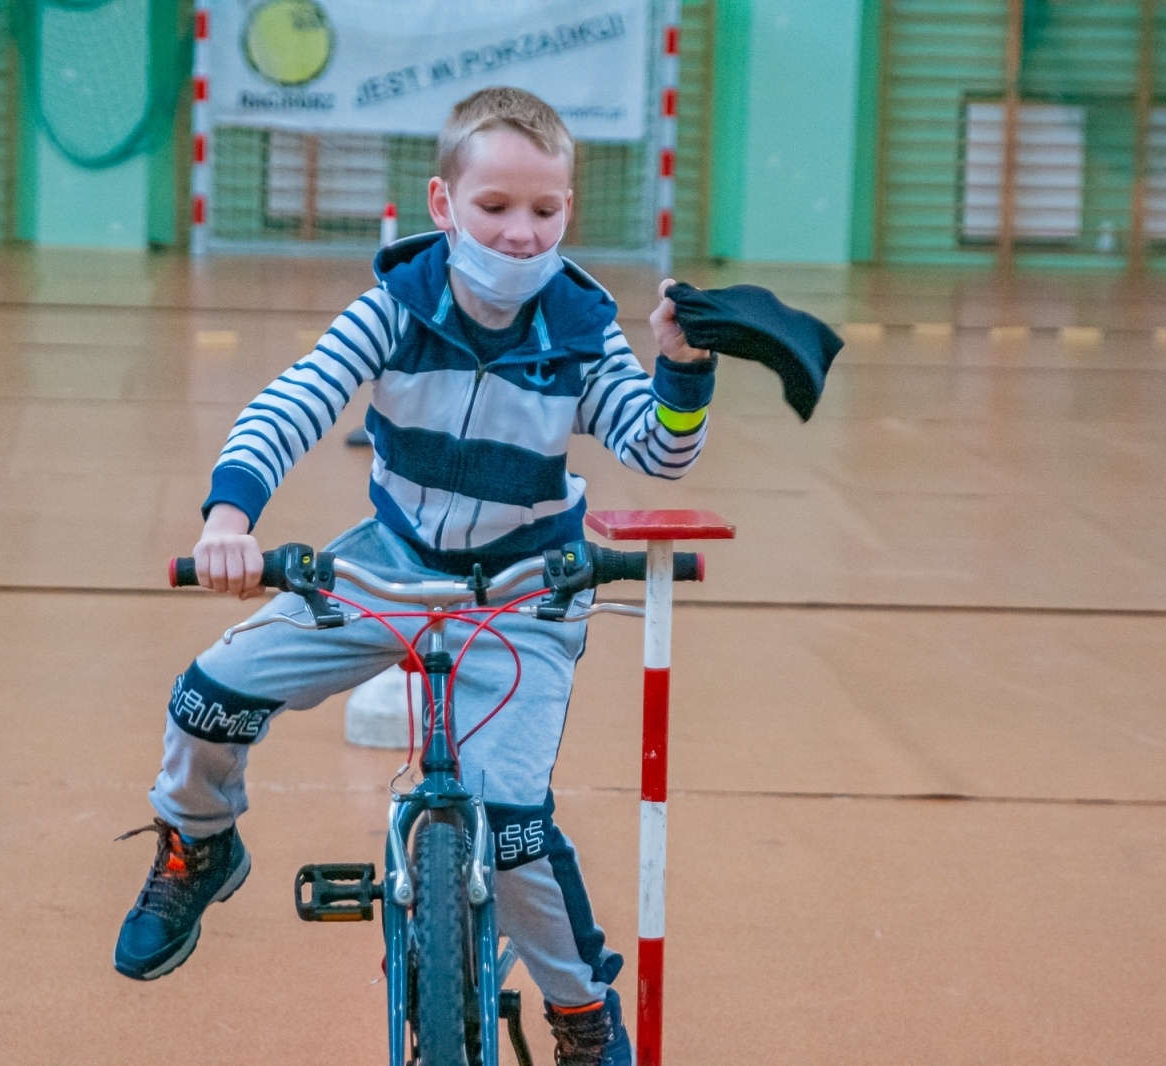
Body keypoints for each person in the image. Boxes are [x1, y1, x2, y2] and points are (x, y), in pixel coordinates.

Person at [113, 86, 715, 1066]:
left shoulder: (579, 324)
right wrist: (230, 517)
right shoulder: (397, 306)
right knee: (209, 694)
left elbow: (658, 450)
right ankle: (198, 841)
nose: (520, 234)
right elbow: (295, 400)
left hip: (526, 587)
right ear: (443, 204)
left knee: (514, 825)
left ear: (568, 211)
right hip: (388, 563)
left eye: (544, 211)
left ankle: (578, 1014)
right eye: (494, 208)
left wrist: (681, 373)